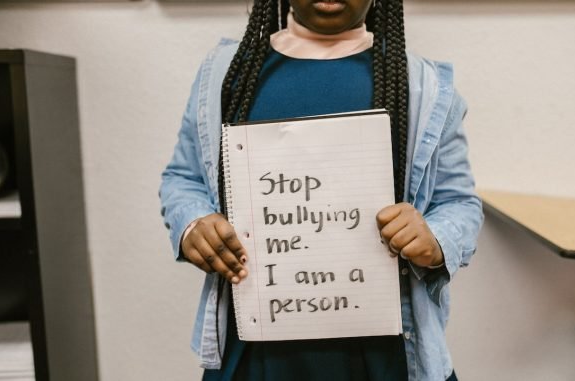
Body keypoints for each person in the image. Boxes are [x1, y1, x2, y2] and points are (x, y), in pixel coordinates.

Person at [159, 0, 483, 380]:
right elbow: (182, 177)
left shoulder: (424, 86)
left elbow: (459, 202)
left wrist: (436, 238)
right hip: (256, 350)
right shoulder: (226, 73)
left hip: (384, 355)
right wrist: (193, 224)